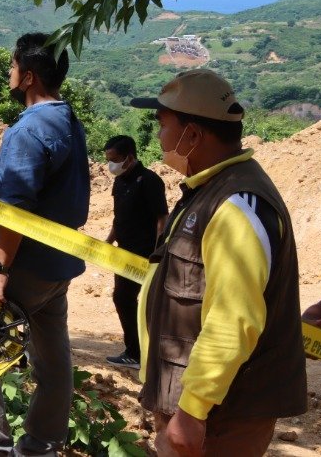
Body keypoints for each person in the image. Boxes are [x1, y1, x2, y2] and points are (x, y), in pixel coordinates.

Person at [131, 69, 306, 456]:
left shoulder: (236, 206)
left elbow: (233, 319)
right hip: (196, 406)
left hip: (219, 416)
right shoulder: (209, 189)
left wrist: (193, 410)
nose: (159, 137)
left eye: (163, 125)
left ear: (192, 135)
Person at [0, 33, 90, 457]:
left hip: (23, 264)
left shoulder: (27, 131)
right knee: (53, 360)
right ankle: (41, 447)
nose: (9, 72)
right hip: (58, 265)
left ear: (28, 77)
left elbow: (16, 210)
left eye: (12, 66)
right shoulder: (69, 120)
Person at [101, 134, 167, 369]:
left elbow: (162, 218)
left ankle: (138, 354)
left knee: (134, 299)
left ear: (129, 158)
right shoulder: (120, 181)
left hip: (144, 253)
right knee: (124, 298)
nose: (111, 165)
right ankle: (138, 351)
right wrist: (109, 241)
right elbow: (119, 217)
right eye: (108, 160)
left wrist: (158, 251)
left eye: (114, 159)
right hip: (124, 253)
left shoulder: (149, 180)